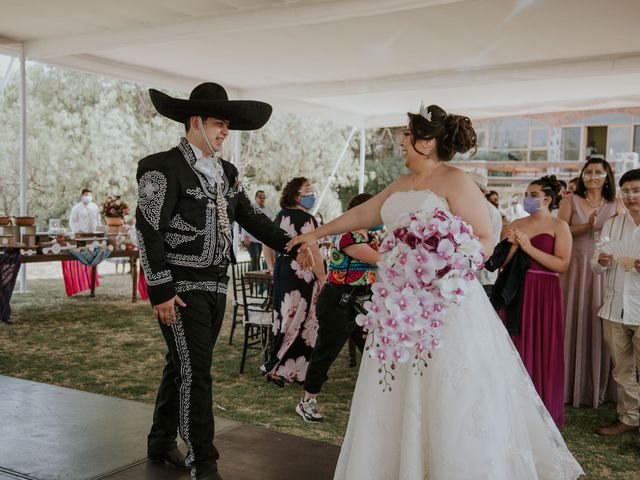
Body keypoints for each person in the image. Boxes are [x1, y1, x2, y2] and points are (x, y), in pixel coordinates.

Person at [287, 104, 583, 479]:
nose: (402, 144)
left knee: (445, 394)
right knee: (396, 391)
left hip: (442, 306)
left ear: (427, 142)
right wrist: (315, 233)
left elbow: (485, 239)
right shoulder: (401, 184)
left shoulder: (455, 180)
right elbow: (364, 215)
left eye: (408, 136)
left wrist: (437, 266)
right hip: (398, 305)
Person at [137, 82, 310, 480]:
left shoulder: (226, 172)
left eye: (228, 125)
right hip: (179, 289)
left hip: (216, 286)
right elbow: (148, 230)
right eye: (219, 123)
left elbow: (251, 217)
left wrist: (292, 243)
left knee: (179, 364)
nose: (225, 131)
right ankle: (204, 462)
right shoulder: (161, 167)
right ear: (195, 121)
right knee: (196, 371)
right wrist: (161, 290)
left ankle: (160, 441)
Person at [295, 193, 381, 423]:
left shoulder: (370, 235)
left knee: (376, 352)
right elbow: (379, 259)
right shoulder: (348, 237)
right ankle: (307, 402)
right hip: (339, 302)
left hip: (363, 302)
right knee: (326, 352)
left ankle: (379, 403)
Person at [498, 176, 572, 427]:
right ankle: (511, 406)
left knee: (542, 342)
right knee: (515, 343)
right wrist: (511, 248)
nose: (526, 199)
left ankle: (542, 408)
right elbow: (502, 264)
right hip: (517, 289)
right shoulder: (517, 223)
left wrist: (529, 248)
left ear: (547, 199)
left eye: (532, 195)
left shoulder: (560, 227)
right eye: (526, 194)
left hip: (545, 291)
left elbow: (562, 264)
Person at [558, 158, 623, 408]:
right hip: (575, 265)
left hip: (604, 268)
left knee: (599, 322)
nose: (593, 175)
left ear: (607, 176)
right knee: (572, 317)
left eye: (598, 172)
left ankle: (599, 386)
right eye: (589, 171)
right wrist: (588, 225)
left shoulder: (616, 205)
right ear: (583, 175)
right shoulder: (570, 200)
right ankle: (568, 385)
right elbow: (561, 230)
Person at [261, 177, 326, 386]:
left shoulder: (281, 216)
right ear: (296, 194)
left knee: (285, 318)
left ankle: (283, 367)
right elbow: (314, 251)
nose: (311, 193)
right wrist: (323, 277)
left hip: (282, 272)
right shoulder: (306, 219)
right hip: (302, 274)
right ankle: (288, 368)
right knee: (303, 318)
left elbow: (267, 243)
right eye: (307, 189)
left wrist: (272, 267)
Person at [591, 168, 640, 436]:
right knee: (622, 370)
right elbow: (595, 265)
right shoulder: (612, 224)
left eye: (637, 190)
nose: (632, 196)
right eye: (628, 191)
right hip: (614, 308)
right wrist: (600, 261)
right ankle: (629, 419)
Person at [468, 173, 503, 297]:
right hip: (469, 273)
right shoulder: (468, 207)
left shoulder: (489, 211)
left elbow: (487, 246)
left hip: (483, 276)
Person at [241, 190, 273, 270]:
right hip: (250, 238)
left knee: (257, 258)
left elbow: (272, 221)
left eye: (264, 197)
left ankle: (256, 279)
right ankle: (252, 280)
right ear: (255, 198)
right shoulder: (251, 208)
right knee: (255, 257)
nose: (262, 199)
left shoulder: (267, 209)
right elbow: (244, 222)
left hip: (260, 239)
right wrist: (246, 236)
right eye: (260, 197)